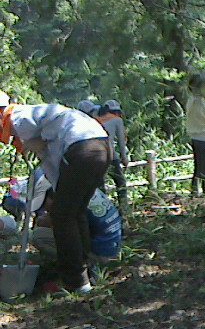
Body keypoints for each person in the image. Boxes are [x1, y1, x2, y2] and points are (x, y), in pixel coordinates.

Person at [0, 103, 110, 293]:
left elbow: (47, 157)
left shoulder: (20, 118)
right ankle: (87, 272)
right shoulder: (40, 117)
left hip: (83, 148)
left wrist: (27, 143)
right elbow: (52, 161)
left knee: (62, 216)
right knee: (75, 213)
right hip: (100, 146)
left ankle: (76, 282)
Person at [95, 100, 129, 207]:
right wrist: (124, 158)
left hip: (96, 156)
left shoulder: (96, 120)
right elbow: (121, 141)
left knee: (100, 185)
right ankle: (123, 208)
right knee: (120, 182)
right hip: (110, 155)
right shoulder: (117, 120)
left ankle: (104, 208)